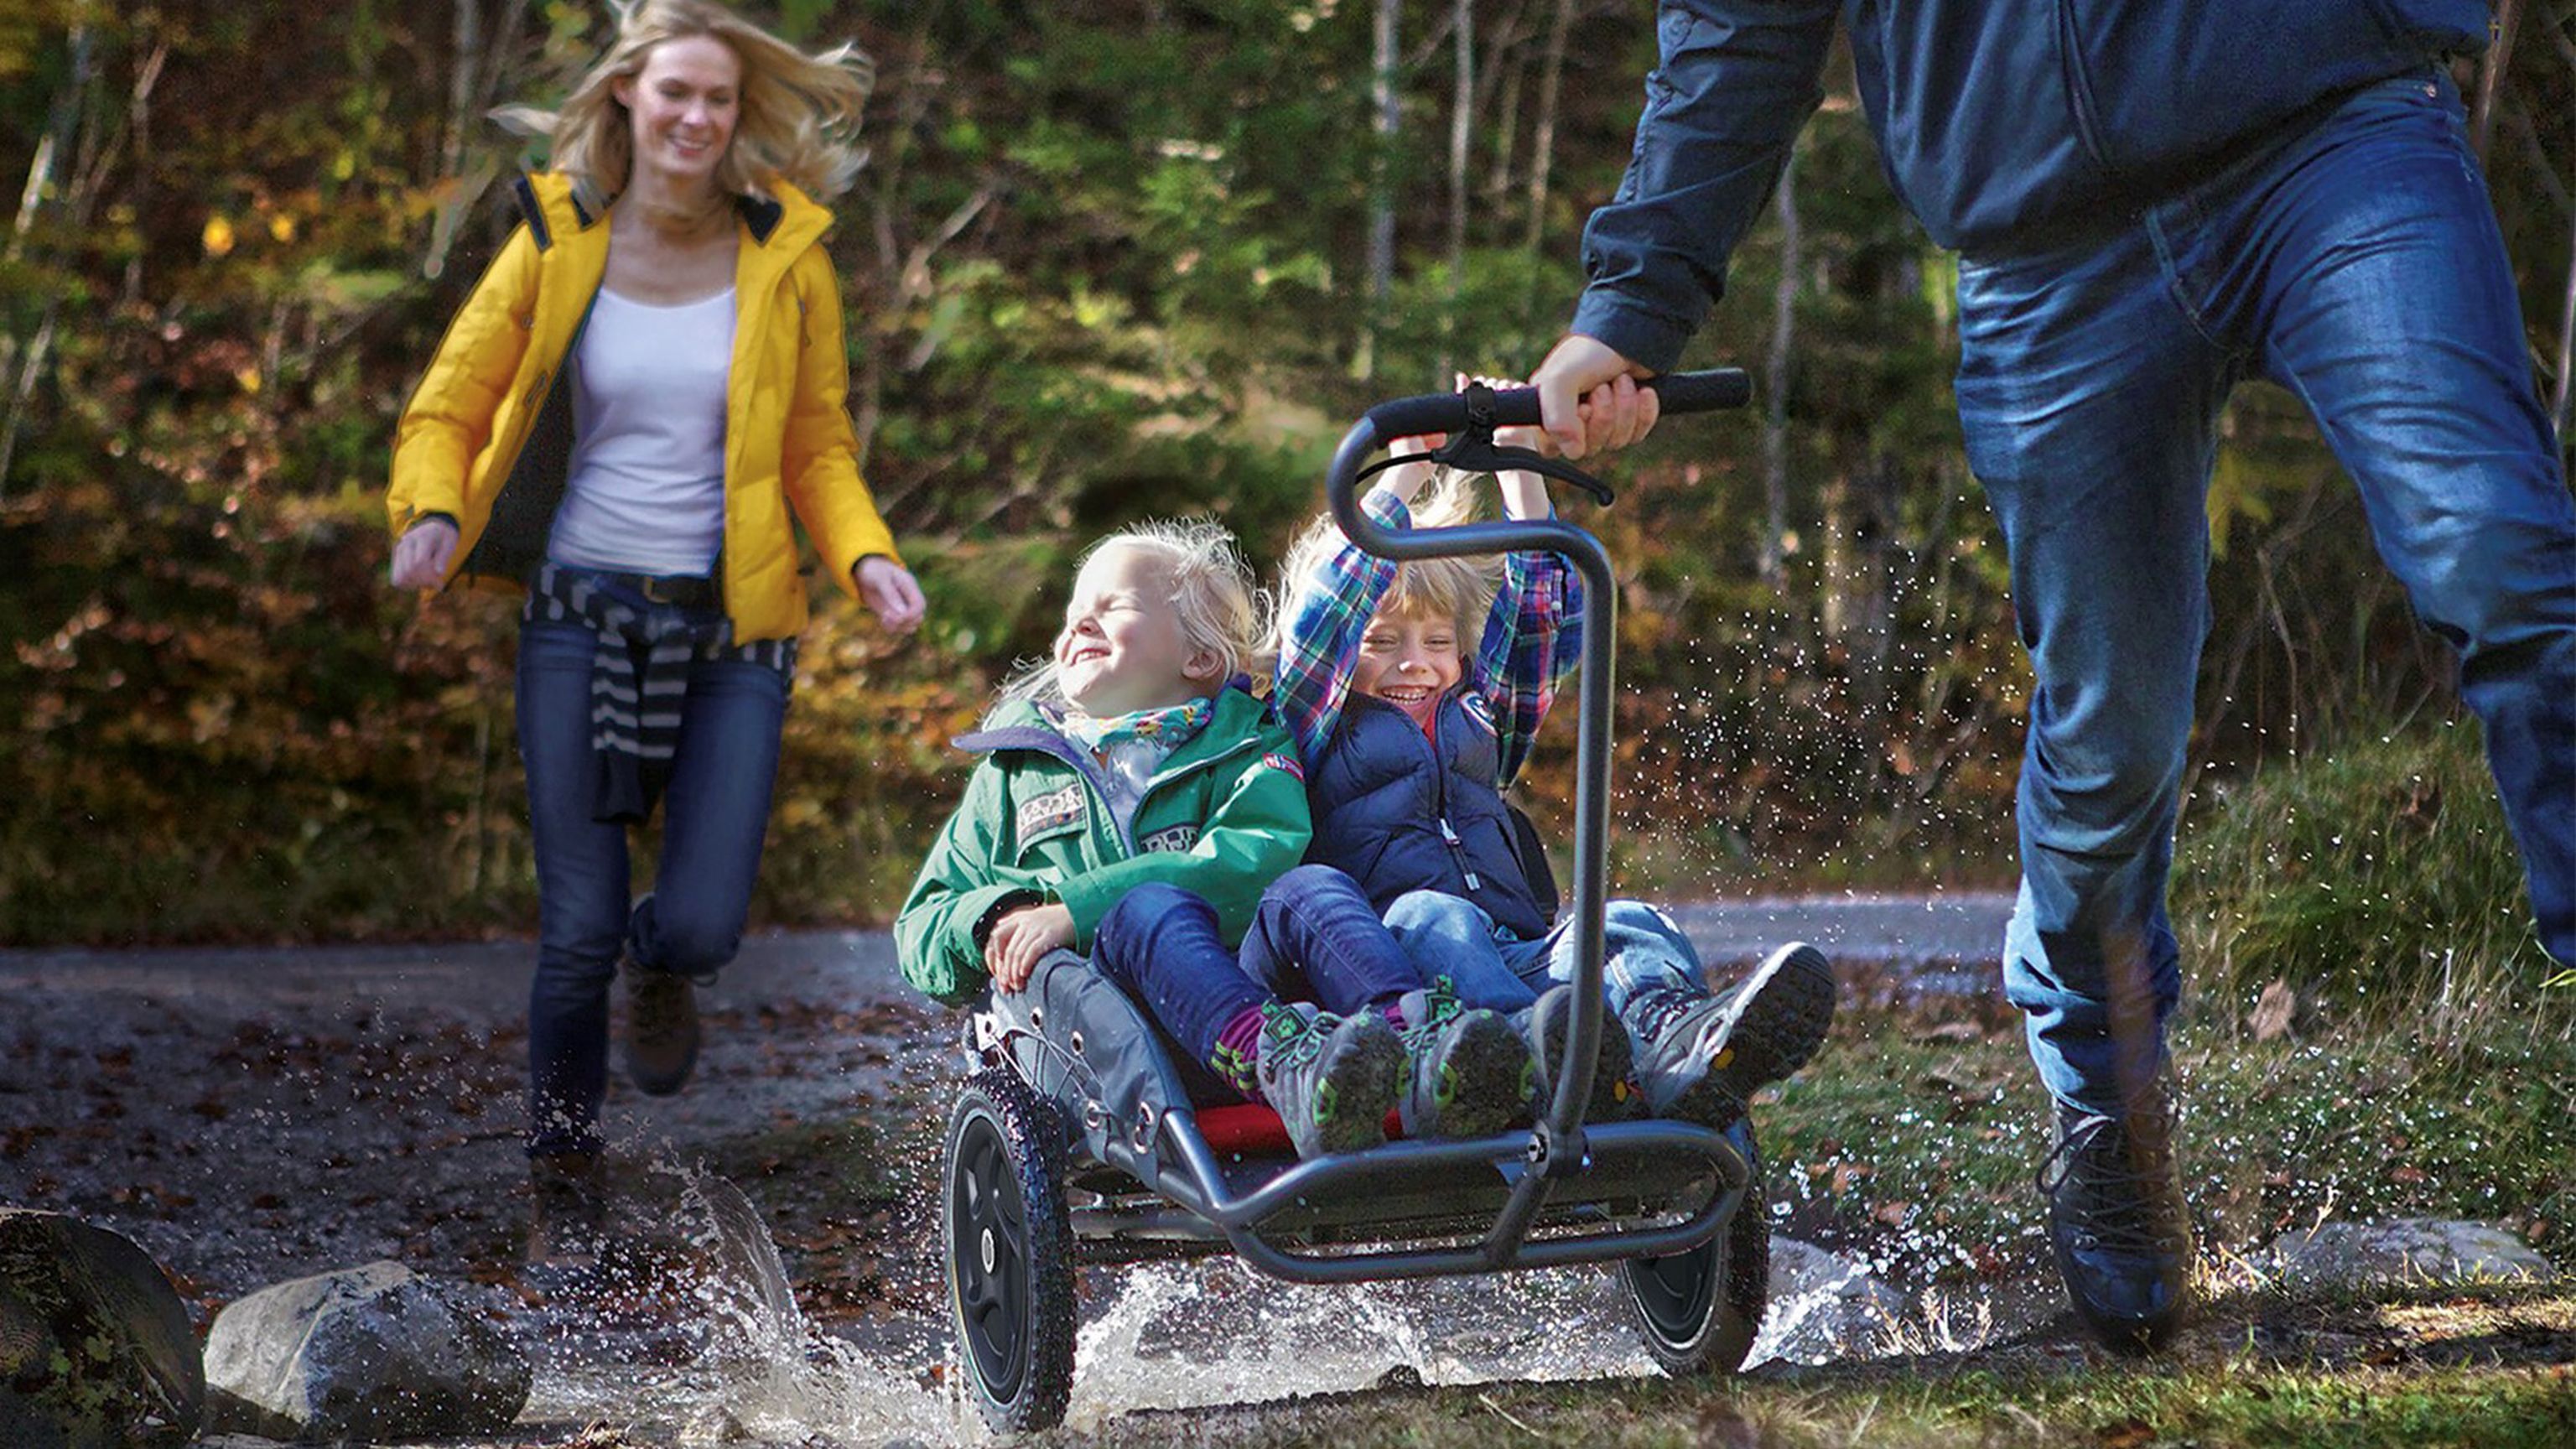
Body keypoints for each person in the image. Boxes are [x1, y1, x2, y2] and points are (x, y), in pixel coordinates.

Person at [1527, 1, 2576, 1353]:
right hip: (2044, 248)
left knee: (2500, 557)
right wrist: (1632, 300)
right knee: (2104, 741)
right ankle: (2105, 1099)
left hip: (2328, 134)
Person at [384, 0, 927, 1266]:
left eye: (718, 99)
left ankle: (663, 966)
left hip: (735, 636)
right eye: (673, 91)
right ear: (626, 97)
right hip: (577, 621)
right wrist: (429, 516)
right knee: (573, 925)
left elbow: (818, 445)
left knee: (696, 926)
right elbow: (446, 408)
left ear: (743, 119)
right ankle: (562, 1180)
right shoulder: (556, 238)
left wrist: (865, 552)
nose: (693, 116)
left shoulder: (786, 255)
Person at [1272, 383, 1836, 1133]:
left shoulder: (1481, 722)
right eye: (1385, 644)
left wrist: (1521, 467)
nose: (1416, 665)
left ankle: (1673, 1044)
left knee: (1623, 922)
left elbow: (1540, 618)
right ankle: (1530, 1064)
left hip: (1522, 959)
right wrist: (1401, 474)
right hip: (1412, 988)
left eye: (1439, 644)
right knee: (1430, 913)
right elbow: (1327, 615)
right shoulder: (1313, 728)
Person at [896, 522, 1530, 1155]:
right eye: (1072, 615)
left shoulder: (1249, 743)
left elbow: (1256, 855)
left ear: (1199, 658)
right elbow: (922, 926)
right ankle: (1283, 1059)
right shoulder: (1014, 773)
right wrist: (1000, 916)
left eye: (1112, 608)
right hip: (1100, 1046)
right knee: (1146, 907)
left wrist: (1076, 908)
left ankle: (1407, 1045)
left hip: (1250, 1003)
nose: (1079, 626)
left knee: (1309, 886)